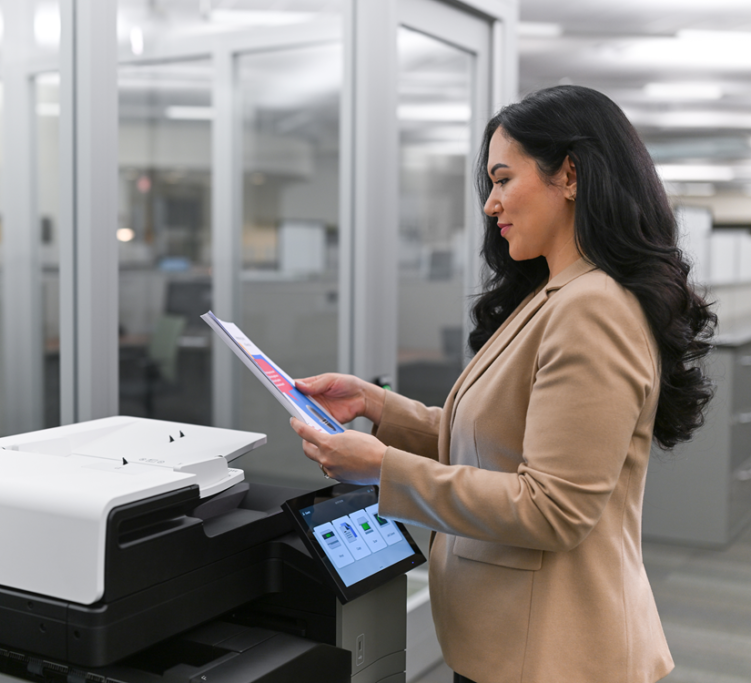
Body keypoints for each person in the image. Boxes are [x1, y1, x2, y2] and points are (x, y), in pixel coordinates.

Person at [289, 85, 715, 683]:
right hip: (512, 645)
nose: (490, 204)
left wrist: (384, 468)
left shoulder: (592, 307)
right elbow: (500, 444)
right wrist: (379, 407)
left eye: (503, 178)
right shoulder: (552, 293)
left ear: (569, 175)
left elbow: (553, 508)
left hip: (554, 657)